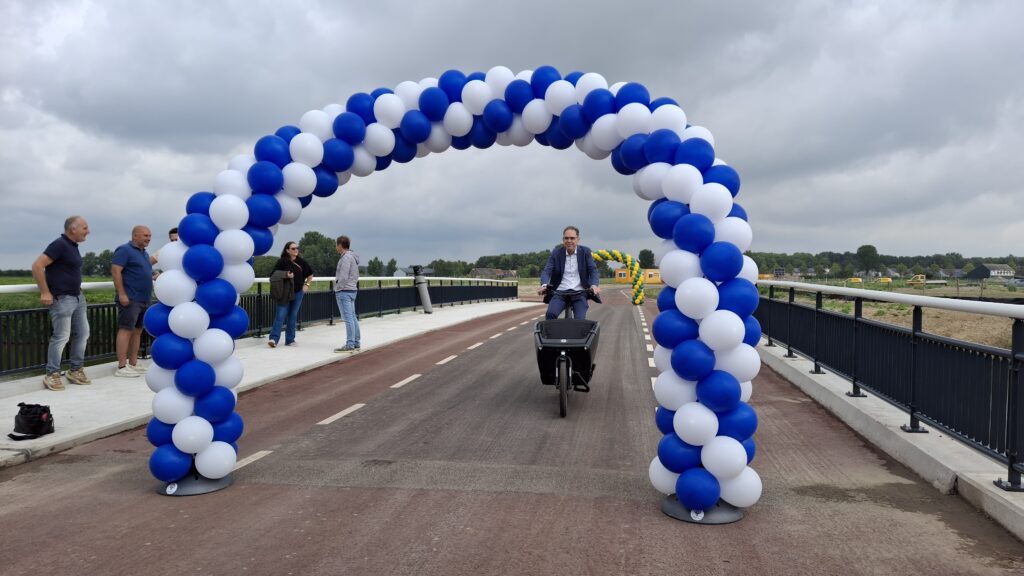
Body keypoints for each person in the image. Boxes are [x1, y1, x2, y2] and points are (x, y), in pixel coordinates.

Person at [31, 216, 92, 391]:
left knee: (83, 333)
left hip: (77, 297)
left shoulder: (72, 246)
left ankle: (75, 369)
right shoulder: (59, 244)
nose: (88, 231)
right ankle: (52, 374)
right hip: (62, 298)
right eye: (85, 228)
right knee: (61, 337)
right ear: (73, 229)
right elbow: (37, 266)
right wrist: (45, 291)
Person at [111, 225, 154, 377]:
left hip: (144, 299)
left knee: (137, 331)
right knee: (126, 329)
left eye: (149, 236)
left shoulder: (144, 254)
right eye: (145, 236)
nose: (148, 238)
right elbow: (116, 271)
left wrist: (153, 275)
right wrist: (122, 294)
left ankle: (133, 363)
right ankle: (122, 367)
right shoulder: (124, 250)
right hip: (130, 298)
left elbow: (144, 271)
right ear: (135, 236)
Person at [538, 225, 601, 320]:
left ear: (578, 239)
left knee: (580, 320)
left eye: (572, 238)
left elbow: (593, 270)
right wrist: (544, 285)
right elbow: (547, 271)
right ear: (563, 239)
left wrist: (594, 285)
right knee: (551, 314)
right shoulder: (556, 253)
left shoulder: (585, 252)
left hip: (579, 292)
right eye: (566, 238)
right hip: (559, 292)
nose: (569, 241)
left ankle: (577, 335)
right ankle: (552, 335)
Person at [268, 241, 314, 347]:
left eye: (297, 248)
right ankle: (273, 339)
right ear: (287, 250)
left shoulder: (301, 262)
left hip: (298, 293)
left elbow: (310, 274)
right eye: (293, 248)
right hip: (284, 293)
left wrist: (306, 285)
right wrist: (286, 275)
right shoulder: (282, 262)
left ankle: (290, 340)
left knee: (292, 316)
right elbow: (272, 276)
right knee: (280, 315)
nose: (296, 250)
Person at [333, 235, 361, 353]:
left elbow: (343, 276)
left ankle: (350, 344)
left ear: (340, 245)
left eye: (336, 245)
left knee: (348, 318)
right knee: (353, 317)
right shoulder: (353, 257)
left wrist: (337, 288)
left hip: (344, 291)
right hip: (352, 290)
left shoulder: (345, 258)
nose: (336, 247)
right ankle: (356, 342)